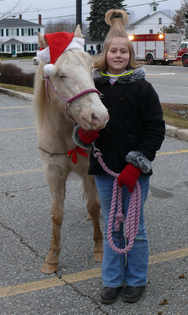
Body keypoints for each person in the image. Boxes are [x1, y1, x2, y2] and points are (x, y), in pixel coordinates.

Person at [73, 8, 165, 305]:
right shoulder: (94, 87)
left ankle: (136, 280)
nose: (118, 55)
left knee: (134, 228)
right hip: (104, 169)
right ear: (105, 53)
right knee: (112, 224)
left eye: (123, 51)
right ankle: (112, 281)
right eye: (113, 50)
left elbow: (155, 129)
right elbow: (82, 119)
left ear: (130, 55)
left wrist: (138, 164)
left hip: (133, 172)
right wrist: (84, 135)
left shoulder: (143, 88)